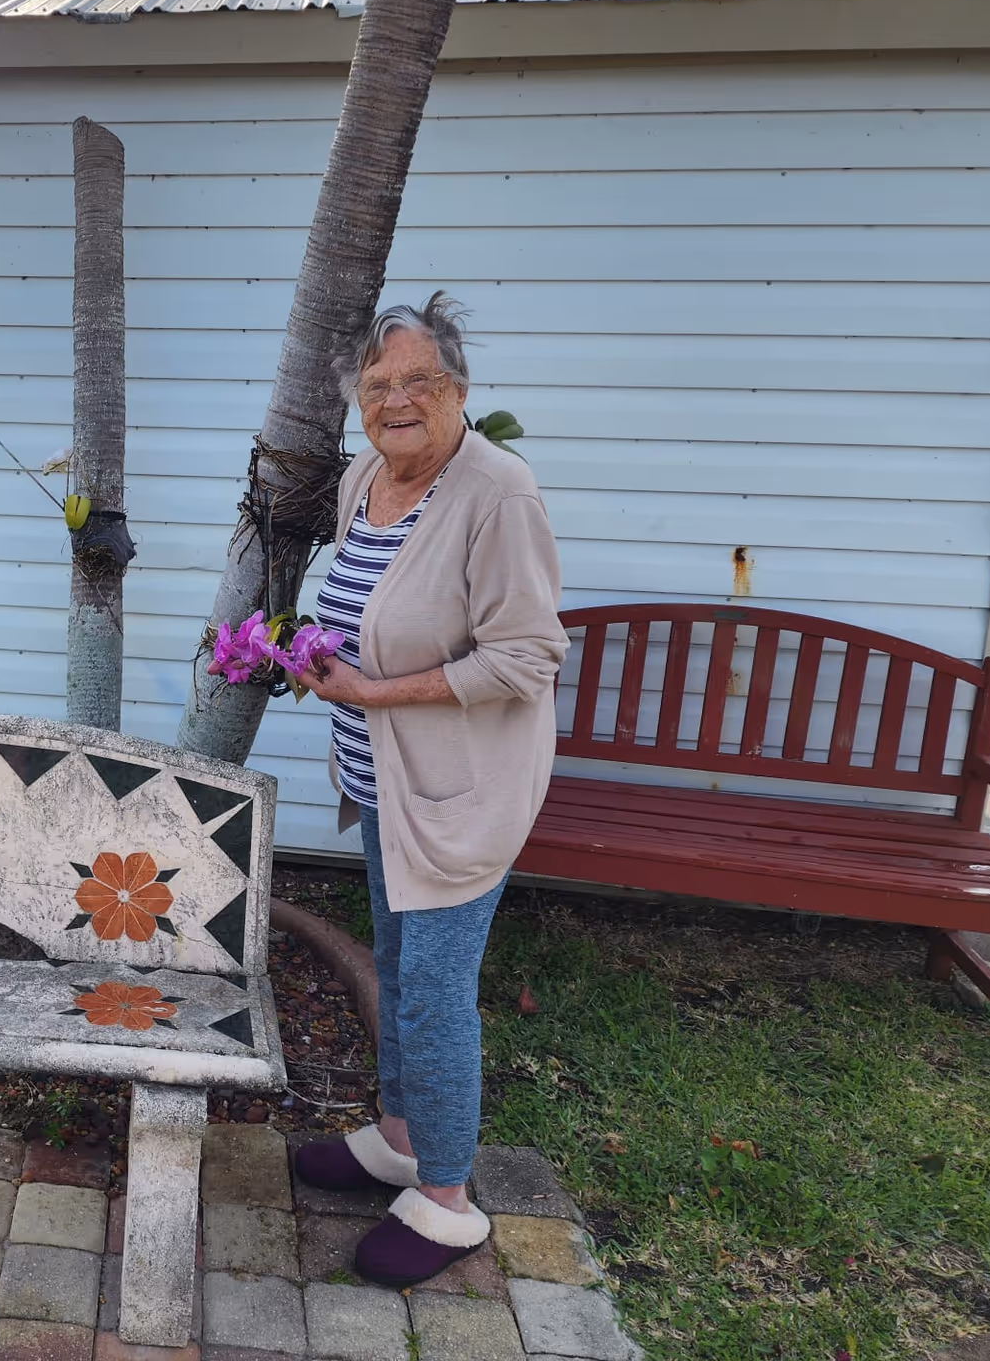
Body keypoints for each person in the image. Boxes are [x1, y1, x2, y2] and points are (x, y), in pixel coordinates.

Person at [295, 293, 568, 1285]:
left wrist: (373, 689)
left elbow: (528, 657)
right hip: (384, 786)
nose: (396, 400)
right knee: (402, 974)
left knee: (437, 992)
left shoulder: (499, 495)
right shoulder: (366, 477)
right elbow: (375, 611)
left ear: (459, 391)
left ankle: (448, 1198)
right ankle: (403, 1139)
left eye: (419, 381)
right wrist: (321, 659)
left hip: (461, 795)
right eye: (377, 386)